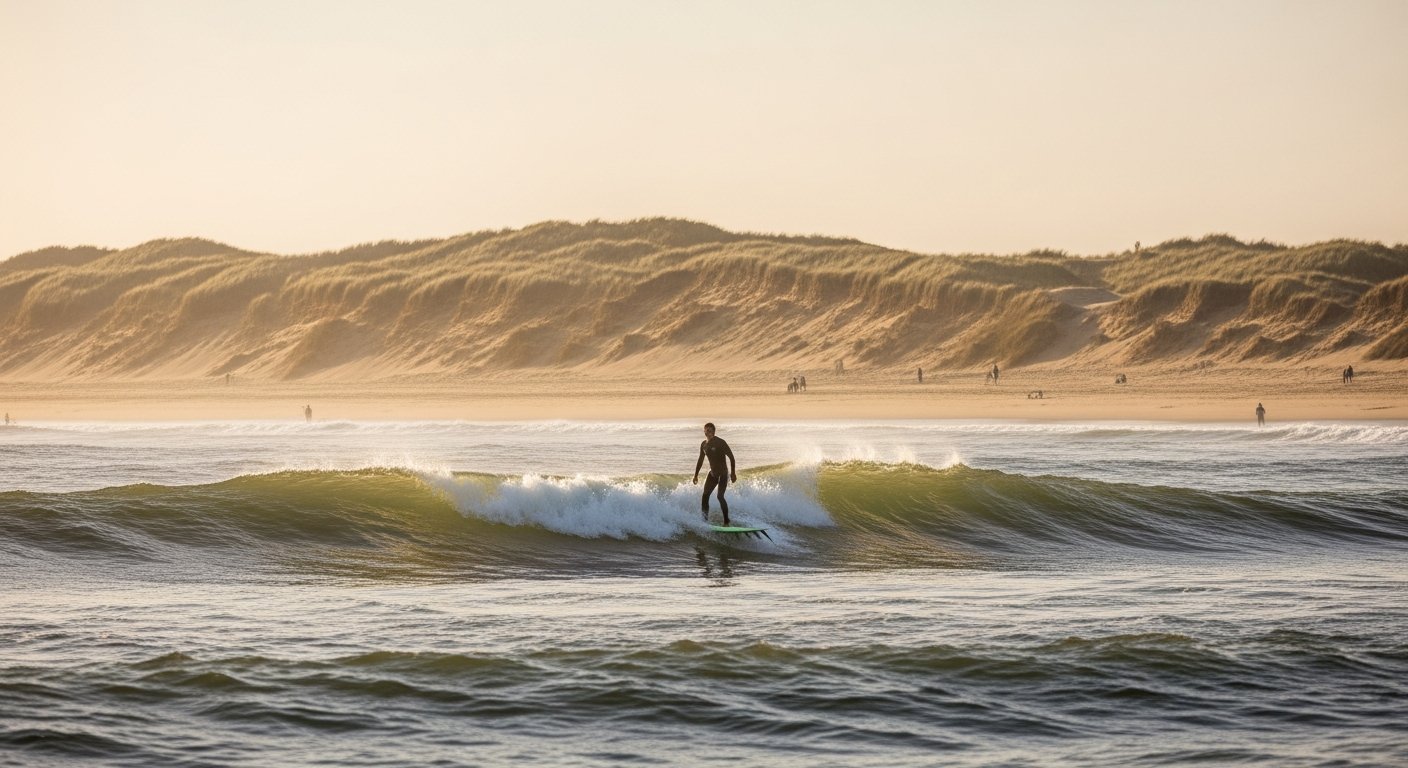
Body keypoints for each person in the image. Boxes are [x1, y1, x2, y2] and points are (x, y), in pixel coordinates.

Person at [693, 422, 736, 525]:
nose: (708, 432)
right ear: (704, 431)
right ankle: (704, 520)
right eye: (706, 430)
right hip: (713, 474)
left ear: (714, 431)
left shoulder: (720, 442)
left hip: (723, 474)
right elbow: (700, 460)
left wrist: (733, 473)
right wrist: (696, 475)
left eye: (710, 430)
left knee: (720, 496)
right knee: (705, 496)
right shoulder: (703, 445)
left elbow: (731, 457)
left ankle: (726, 521)